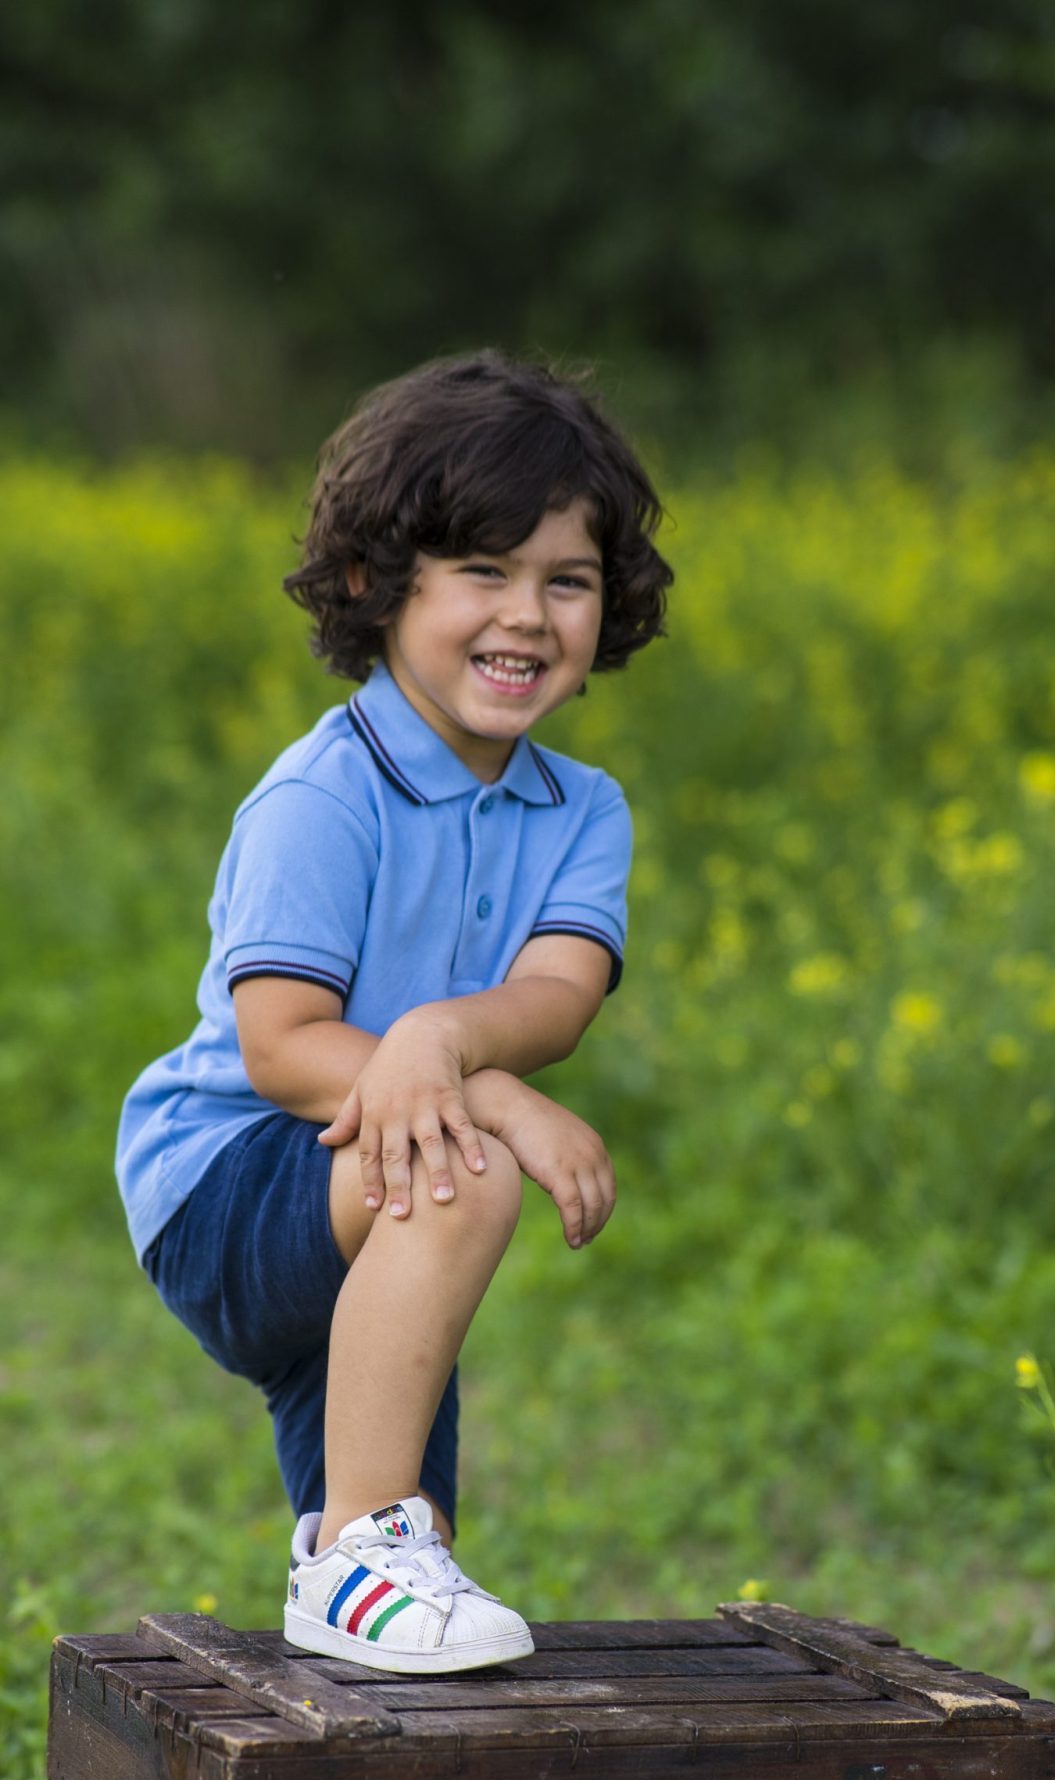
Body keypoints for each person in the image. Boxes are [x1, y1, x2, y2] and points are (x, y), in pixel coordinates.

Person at [115, 352, 673, 1673]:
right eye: (483, 570)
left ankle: (365, 1560)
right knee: (458, 1165)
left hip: (367, 1190)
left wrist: (447, 1041)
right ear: (375, 584)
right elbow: (283, 1045)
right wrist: (466, 1080)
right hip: (228, 1179)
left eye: (567, 580)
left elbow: (557, 994)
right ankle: (354, 1546)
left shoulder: (581, 810)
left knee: (411, 1598)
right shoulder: (326, 794)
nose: (527, 614)